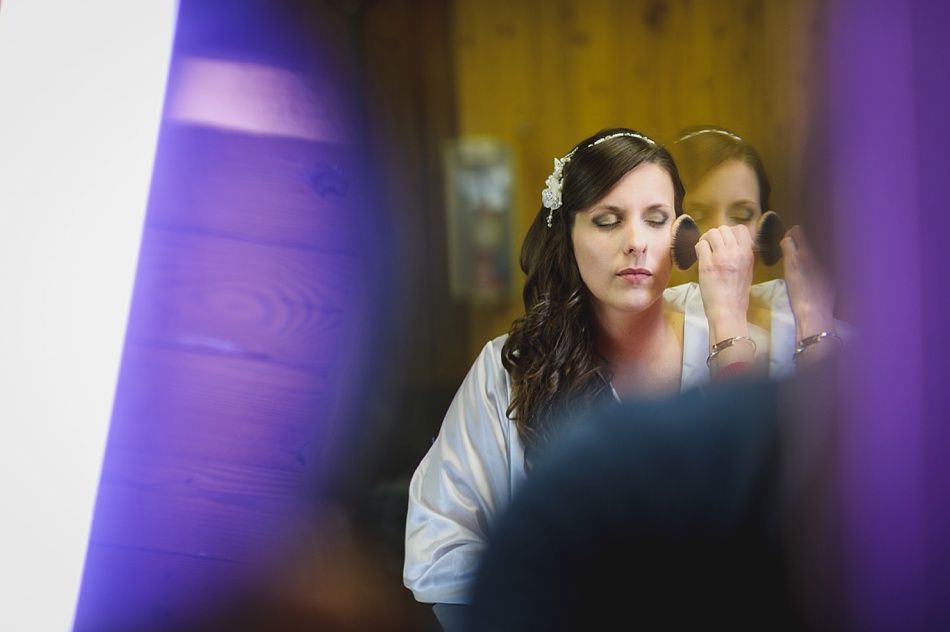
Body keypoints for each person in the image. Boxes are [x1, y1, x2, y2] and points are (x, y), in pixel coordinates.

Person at [404, 128, 773, 625]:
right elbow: (440, 544)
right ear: (568, 235)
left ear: (681, 237)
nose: (636, 243)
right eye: (607, 221)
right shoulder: (509, 368)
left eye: (656, 220)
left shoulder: (736, 350)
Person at [671, 126, 843, 374]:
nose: (723, 232)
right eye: (698, 214)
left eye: (742, 215)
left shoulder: (830, 334)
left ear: (767, 227)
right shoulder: (636, 340)